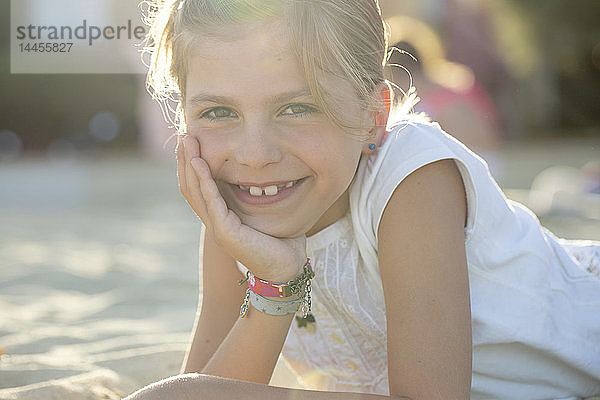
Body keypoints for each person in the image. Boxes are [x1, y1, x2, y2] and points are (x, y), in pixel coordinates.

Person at [125, 0, 600, 399]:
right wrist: (276, 282)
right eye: (218, 111)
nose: (253, 156)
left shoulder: (410, 180)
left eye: (297, 108)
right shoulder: (235, 212)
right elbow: (212, 380)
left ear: (373, 117)